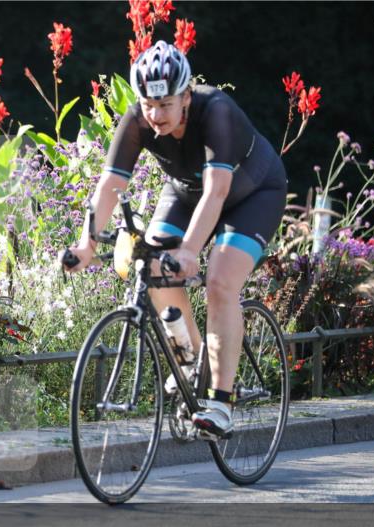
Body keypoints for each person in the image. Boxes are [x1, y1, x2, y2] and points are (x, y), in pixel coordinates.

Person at [63, 40, 288, 437]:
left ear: (186, 95)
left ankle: (221, 401)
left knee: (220, 281)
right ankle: (191, 360)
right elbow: (110, 184)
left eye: (165, 104)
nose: (155, 114)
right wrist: (87, 243)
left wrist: (188, 251)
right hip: (186, 193)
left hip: (253, 194)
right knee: (148, 264)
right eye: (148, 104)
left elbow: (217, 191)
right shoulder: (138, 120)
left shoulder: (216, 110)